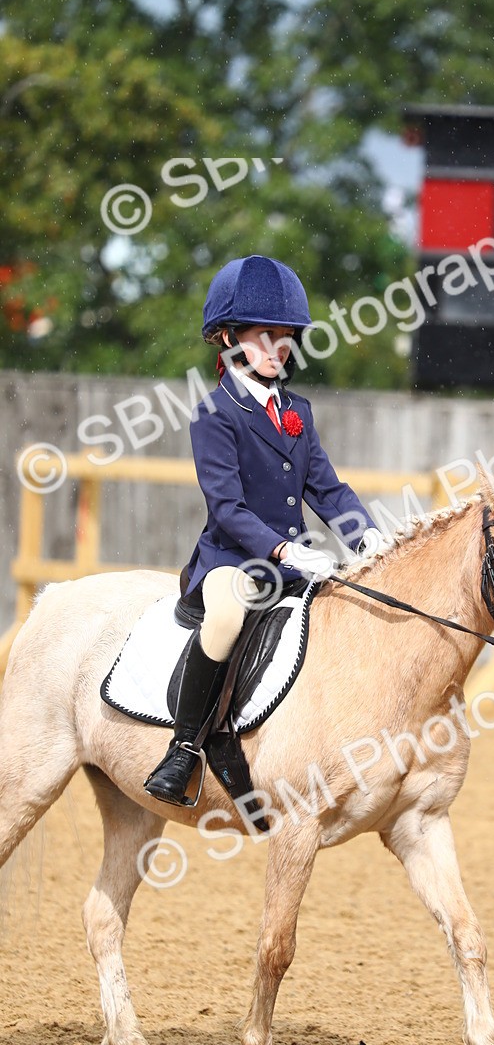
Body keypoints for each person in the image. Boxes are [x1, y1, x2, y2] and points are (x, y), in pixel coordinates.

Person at [144, 254, 386, 806]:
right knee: (228, 615)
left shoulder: (296, 410)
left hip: (292, 561)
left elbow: (325, 488)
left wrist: (365, 535)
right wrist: (284, 550)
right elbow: (226, 507)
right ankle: (182, 750)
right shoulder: (215, 413)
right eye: (263, 338)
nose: (277, 350)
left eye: (285, 339)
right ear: (229, 341)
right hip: (232, 561)